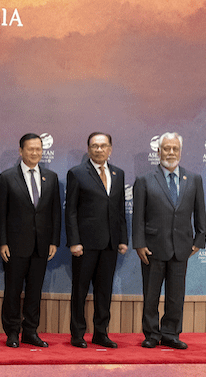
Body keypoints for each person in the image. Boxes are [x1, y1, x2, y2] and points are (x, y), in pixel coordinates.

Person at [133, 132, 206, 349]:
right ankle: (152, 334)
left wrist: (199, 239)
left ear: (180, 152)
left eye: (175, 149)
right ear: (158, 151)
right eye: (166, 148)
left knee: (176, 296)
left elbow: (200, 211)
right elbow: (138, 217)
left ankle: (171, 334)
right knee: (151, 295)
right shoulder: (144, 180)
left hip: (181, 247)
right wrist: (139, 244)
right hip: (152, 248)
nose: (171, 152)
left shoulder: (193, 179)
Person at [0, 133, 60, 348]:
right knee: (13, 290)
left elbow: (54, 213)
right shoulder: (7, 177)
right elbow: (1, 213)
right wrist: (2, 242)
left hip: (41, 245)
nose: (35, 153)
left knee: (35, 290)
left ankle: (30, 331)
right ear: (21, 151)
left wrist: (54, 241)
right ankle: (12, 332)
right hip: (14, 245)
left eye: (38, 149)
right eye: (30, 149)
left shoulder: (50, 177)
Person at [65, 132, 127, 349]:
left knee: (104, 291)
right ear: (88, 149)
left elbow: (119, 209)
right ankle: (77, 334)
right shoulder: (77, 173)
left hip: (110, 244)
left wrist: (123, 239)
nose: (99, 149)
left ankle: (101, 333)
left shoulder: (119, 174)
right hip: (85, 245)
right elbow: (70, 210)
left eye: (103, 146)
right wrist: (74, 241)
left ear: (110, 149)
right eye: (94, 146)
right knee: (80, 290)